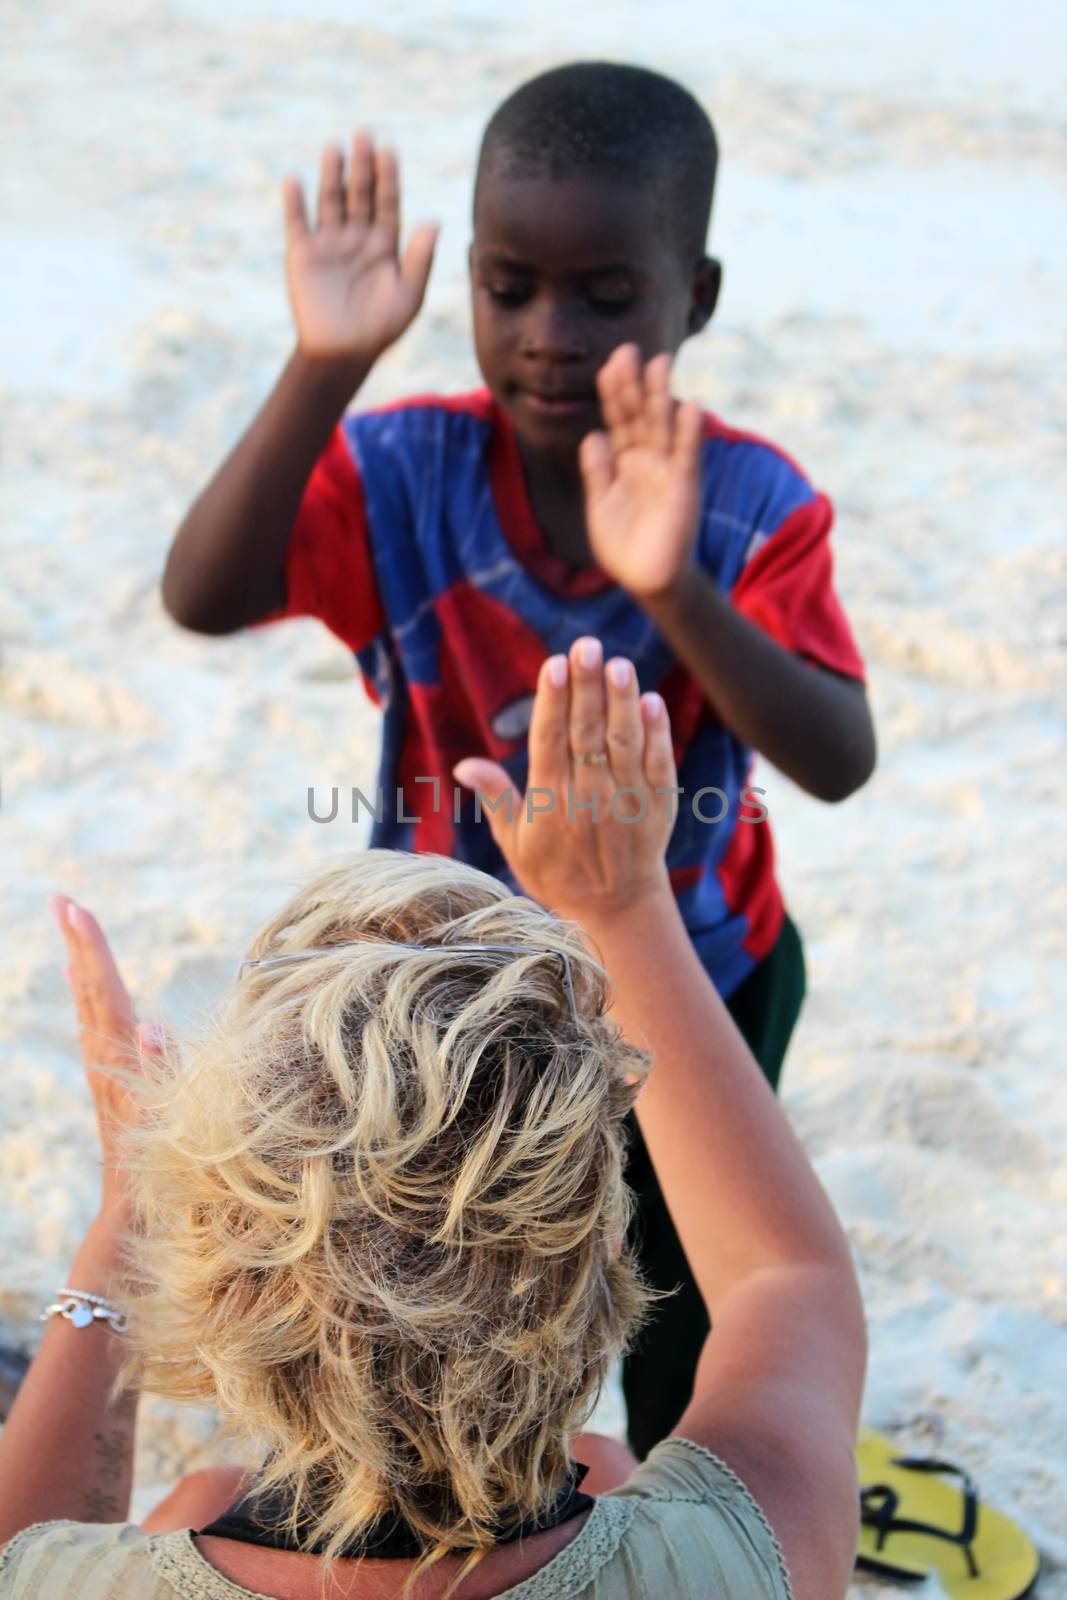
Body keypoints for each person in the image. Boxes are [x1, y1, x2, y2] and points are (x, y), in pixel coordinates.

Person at [160, 61, 876, 1457]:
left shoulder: (747, 504)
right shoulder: (407, 470)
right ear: (470, 282)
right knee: (452, 1290)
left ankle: (691, 1502)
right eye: (506, 286)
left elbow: (835, 754)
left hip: (702, 972)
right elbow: (204, 591)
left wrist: (672, 590)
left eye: (603, 295)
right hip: (451, 1002)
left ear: (695, 297)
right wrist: (325, 363)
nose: (546, 335)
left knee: (687, 1300)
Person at [0, 636, 866, 1600]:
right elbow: (786, 1279)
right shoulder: (734, 1563)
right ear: (611, 1249)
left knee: (205, 1491)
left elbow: (30, 1543)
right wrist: (619, 905)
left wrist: (127, 1208)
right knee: (606, 1462)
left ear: (214, 1285)